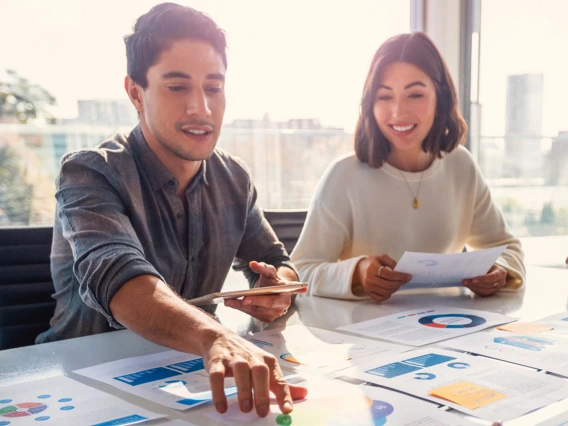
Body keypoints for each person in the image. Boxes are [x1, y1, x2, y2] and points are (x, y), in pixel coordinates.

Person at [37, 3, 307, 417]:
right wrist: (214, 336)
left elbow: (276, 263)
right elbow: (121, 282)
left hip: (190, 374)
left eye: (213, 88)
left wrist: (276, 292)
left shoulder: (234, 178)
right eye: (178, 87)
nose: (201, 108)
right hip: (85, 383)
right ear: (135, 93)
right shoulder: (89, 172)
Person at [291, 32, 525, 302]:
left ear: (441, 97)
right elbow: (300, 271)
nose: (398, 112)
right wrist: (357, 273)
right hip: (362, 332)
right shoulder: (343, 175)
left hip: (448, 326)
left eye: (415, 95)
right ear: (370, 104)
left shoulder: (461, 165)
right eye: (385, 97)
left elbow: (506, 247)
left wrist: (500, 271)